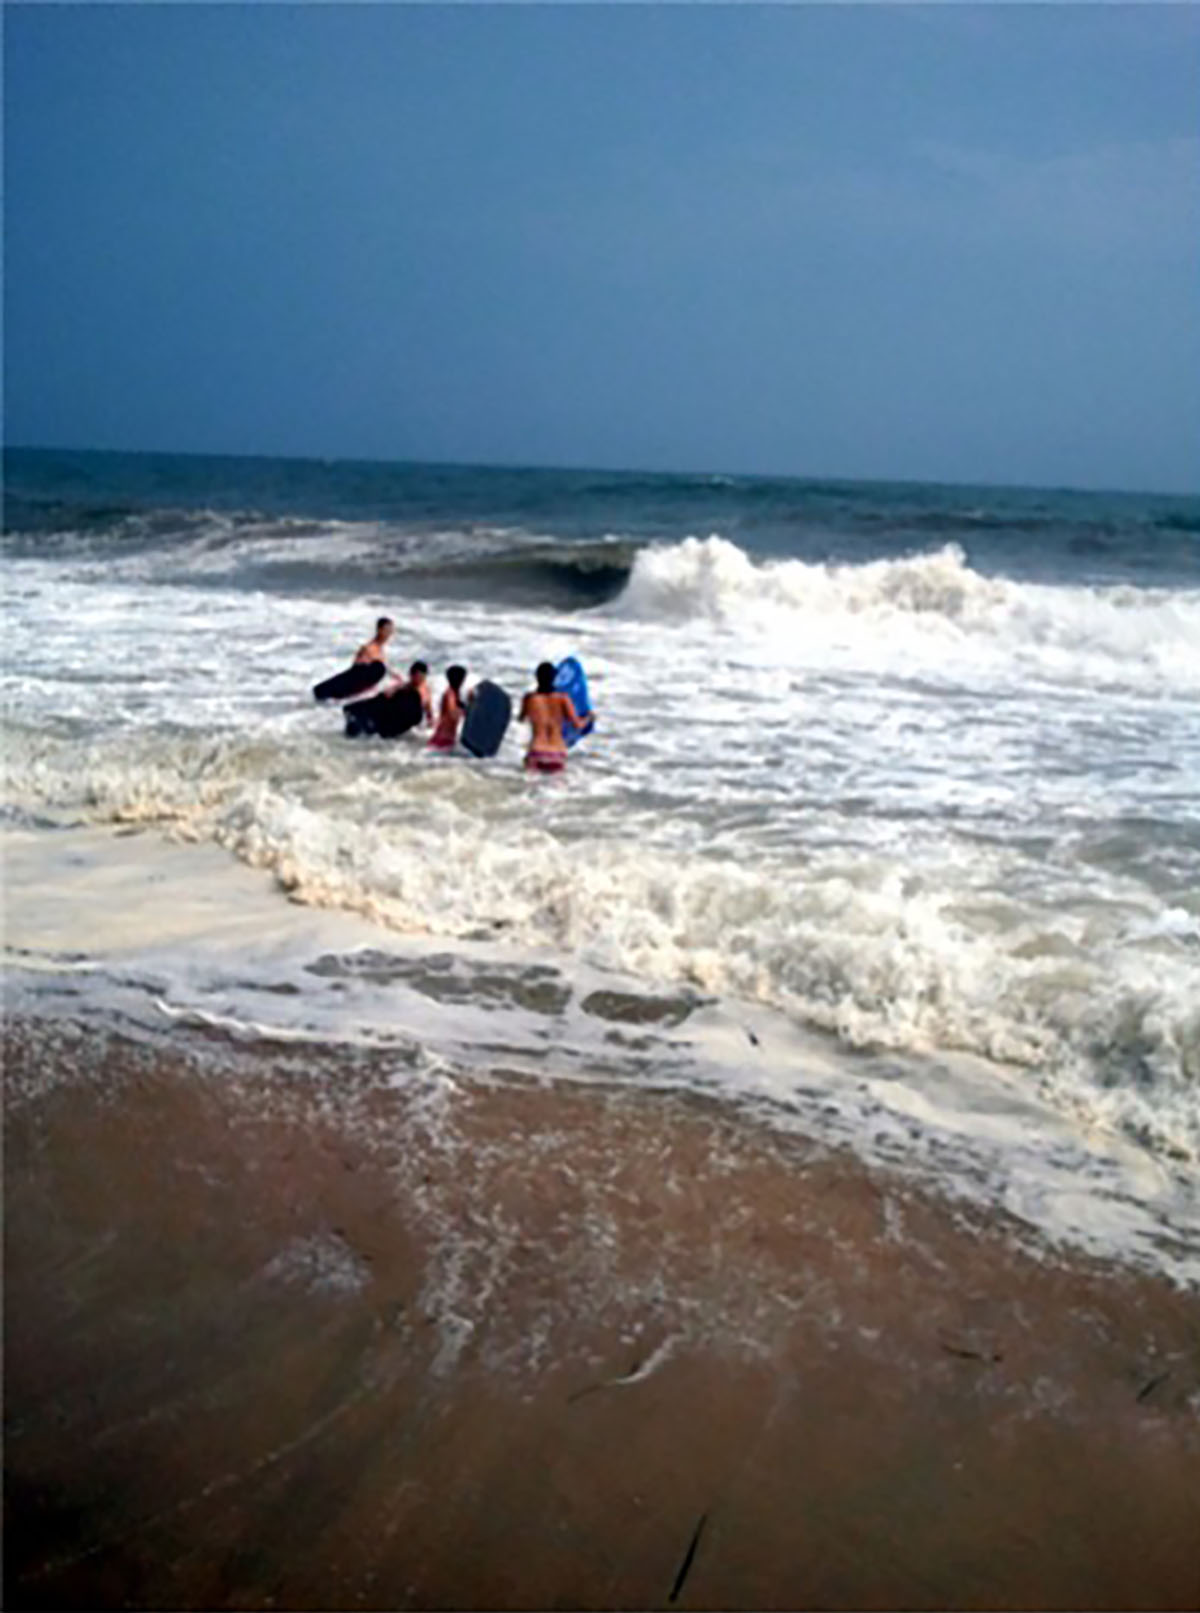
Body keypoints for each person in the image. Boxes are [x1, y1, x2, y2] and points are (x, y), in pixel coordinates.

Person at [519, 661, 588, 774]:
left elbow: (521, 719)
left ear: (537, 677)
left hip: (536, 751)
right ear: (554, 678)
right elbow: (577, 725)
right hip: (557, 753)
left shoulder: (529, 698)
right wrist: (589, 717)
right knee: (556, 785)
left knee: (529, 784)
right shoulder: (563, 698)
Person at [429, 665, 468, 751]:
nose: (463, 681)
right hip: (442, 741)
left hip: (445, 740)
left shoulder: (456, 694)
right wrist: (467, 710)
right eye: (463, 678)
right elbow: (453, 714)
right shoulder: (450, 694)